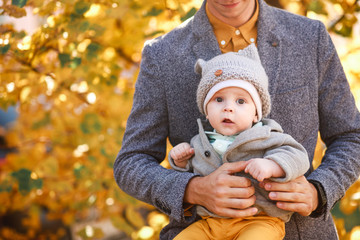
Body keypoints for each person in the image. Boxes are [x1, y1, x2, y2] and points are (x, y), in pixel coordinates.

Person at [113, 0, 360, 239]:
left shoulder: (310, 36)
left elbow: (351, 136)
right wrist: (191, 189)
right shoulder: (162, 54)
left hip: (299, 231)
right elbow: (131, 162)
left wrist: (319, 191)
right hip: (202, 229)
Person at [168, 44, 310, 240]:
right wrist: (181, 161)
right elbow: (191, 173)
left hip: (259, 220)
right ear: (206, 111)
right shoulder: (200, 142)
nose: (228, 108)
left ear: (256, 114)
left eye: (240, 101)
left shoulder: (266, 136)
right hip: (211, 222)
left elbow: (298, 156)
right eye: (218, 99)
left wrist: (273, 165)